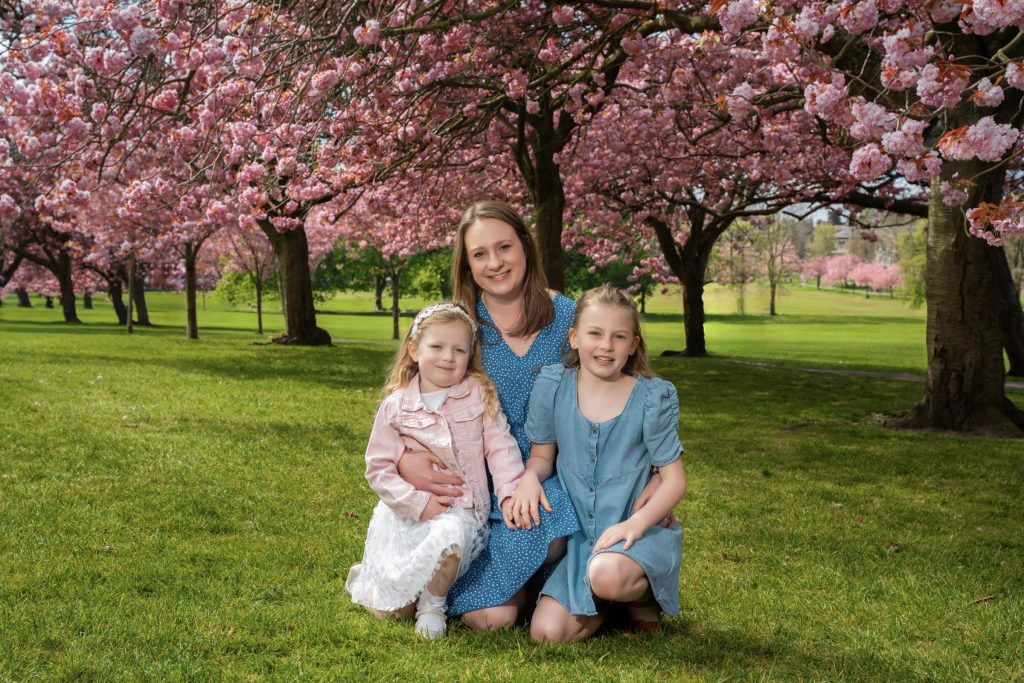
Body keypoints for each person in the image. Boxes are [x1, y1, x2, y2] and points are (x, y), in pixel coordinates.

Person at [397, 200, 581, 629]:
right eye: (480, 254)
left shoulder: (568, 319)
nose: (495, 263)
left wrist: (651, 473)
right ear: (467, 264)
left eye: (504, 247)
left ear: (525, 246)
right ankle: (514, 590)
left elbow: (618, 394)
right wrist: (405, 460)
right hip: (475, 484)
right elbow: (409, 402)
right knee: (490, 619)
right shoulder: (459, 326)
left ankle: (549, 580)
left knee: (539, 528)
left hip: (550, 474)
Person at [510, 284, 687, 643]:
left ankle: (642, 601)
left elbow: (674, 480)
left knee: (606, 573)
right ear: (574, 338)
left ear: (633, 345)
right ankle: (610, 604)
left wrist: (637, 523)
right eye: (595, 334)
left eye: (618, 337)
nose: (606, 345)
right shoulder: (553, 385)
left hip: (635, 533)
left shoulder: (650, 397)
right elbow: (542, 457)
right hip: (580, 541)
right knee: (545, 634)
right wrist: (530, 477)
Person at [346, 302, 525, 639]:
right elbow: (379, 468)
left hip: (460, 511)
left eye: (459, 350)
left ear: (470, 355)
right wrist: (417, 503)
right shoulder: (396, 406)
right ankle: (367, 579)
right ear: (414, 350)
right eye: (437, 347)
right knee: (393, 613)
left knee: (451, 536)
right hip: (406, 516)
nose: (448, 357)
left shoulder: (478, 396)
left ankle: (433, 606)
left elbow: (501, 448)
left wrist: (511, 492)